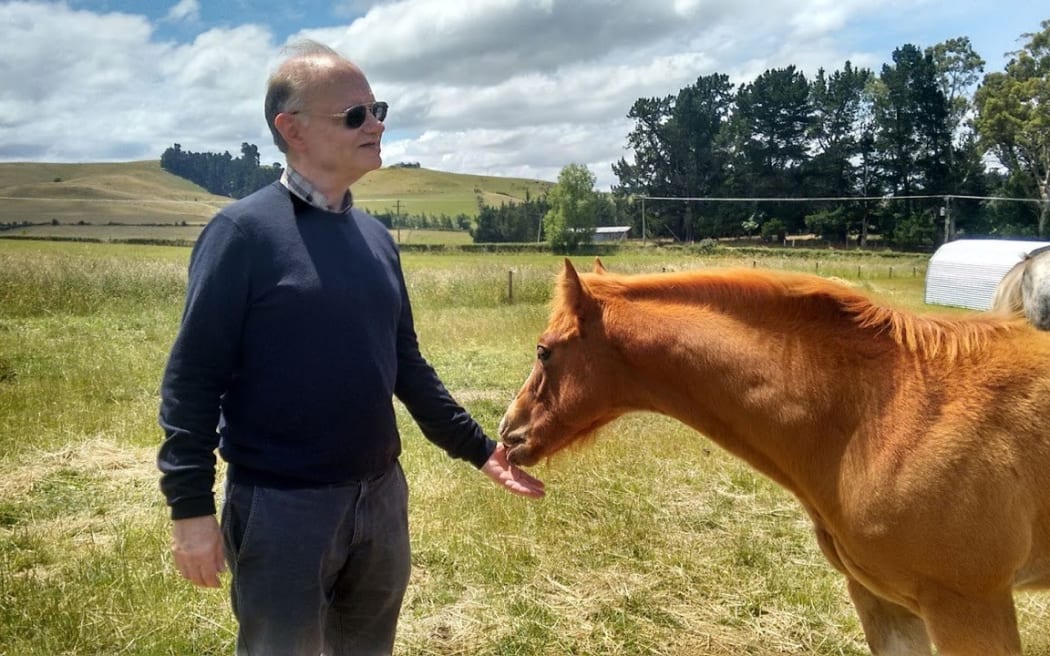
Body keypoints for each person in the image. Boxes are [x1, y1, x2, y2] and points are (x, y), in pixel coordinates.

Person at [157, 39, 545, 656]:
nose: (378, 124)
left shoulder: (374, 238)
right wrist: (190, 509)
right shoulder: (241, 234)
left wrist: (478, 450)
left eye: (377, 108)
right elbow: (192, 381)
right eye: (355, 115)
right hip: (282, 510)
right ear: (293, 129)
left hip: (381, 499)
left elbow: (405, 365)